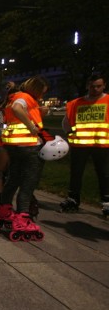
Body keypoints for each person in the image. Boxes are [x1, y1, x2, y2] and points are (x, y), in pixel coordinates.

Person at [0, 76, 49, 241]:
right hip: (29, 145)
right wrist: (31, 126)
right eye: (41, 93)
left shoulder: (13, 98)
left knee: (14, 178)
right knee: (28, 182)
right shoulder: (24, 98)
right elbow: (19, 109)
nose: (41, 96)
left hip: (14, 145)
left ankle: (4, 210)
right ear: (36, 90)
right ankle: (22, 217)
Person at [60, 74, 109, 217]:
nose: (95, 89)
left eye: (98, 86)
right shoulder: (76, 103)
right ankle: (73, 199)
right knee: (76, 173)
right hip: (80, 144)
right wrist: (69, 134)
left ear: (104, 85)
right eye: (92, 86)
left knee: (104, 174)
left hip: (102, 144)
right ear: (88, 85)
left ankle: (106, 202)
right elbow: (66, 121)